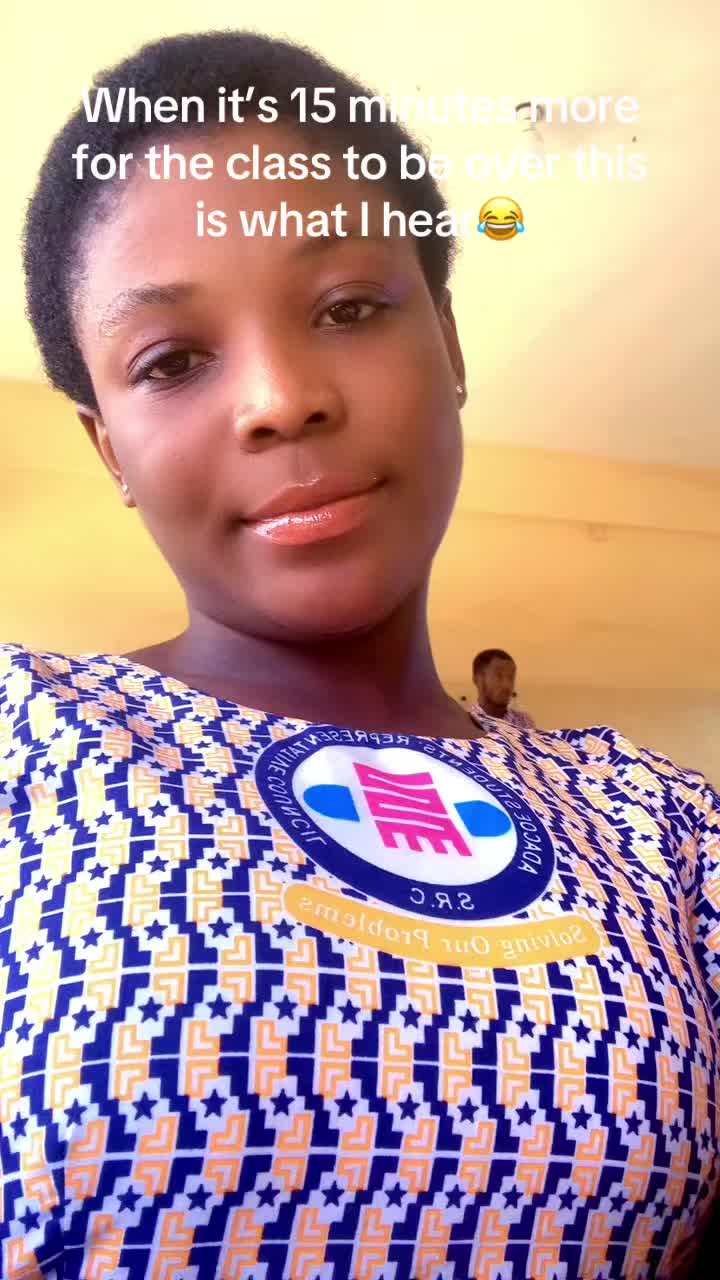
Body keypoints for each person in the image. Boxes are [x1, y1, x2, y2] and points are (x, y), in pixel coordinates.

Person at [2, 30, 718, 1280]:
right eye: (172, 360)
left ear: (448, 342)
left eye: (347, 308)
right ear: (109, 447)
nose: (281, 397)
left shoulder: (668, 830)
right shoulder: (24, 739)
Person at [470, 647, 537, 730]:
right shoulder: (466, 722)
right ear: (478, 679)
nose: (507, 684)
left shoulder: (524, 722)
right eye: (499, 676)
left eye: (511, 677)